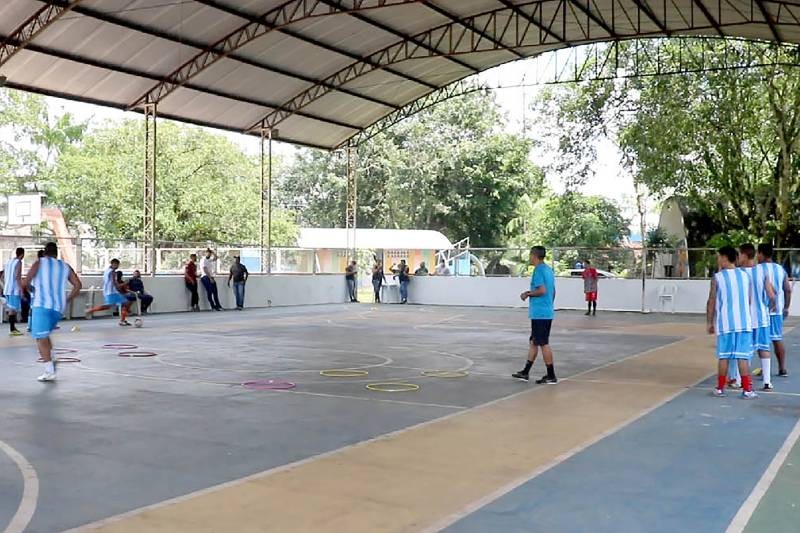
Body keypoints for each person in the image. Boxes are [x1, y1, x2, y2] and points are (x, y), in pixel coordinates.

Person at [23, 242, 81, 382]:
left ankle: (49, 371)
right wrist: (67, 299)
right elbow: (78, 285)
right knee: (44, 334)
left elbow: (25, 282)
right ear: (57, 253)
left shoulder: (39, 263)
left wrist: (31, 289)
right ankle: (51, 357)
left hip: (41, 305)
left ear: (44, 252)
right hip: (58, 308)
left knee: (40, 338)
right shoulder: (65, 266)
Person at [707, 246, 757, 399]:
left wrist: (710, 322)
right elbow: (748, 300)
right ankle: (747, 390)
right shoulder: (745, 276)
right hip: (744, 323)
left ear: (724, 257)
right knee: (743, 357)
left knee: (724, 356)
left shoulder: (718, 278)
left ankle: (721, 388)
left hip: (726, 323)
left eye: (718, 257)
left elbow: (712, 301)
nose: (717, 260)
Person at [732, 243, 776, 391]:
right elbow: (771, 294)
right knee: (764, 348)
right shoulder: (763, 271)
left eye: (739, 254)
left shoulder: (738, 273)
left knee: (743, 351)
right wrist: (771, 306)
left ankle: (739, 380)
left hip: (745, 319)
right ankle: (767, 382)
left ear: (744, 255)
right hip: (762, 317)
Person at [513, 246, 558, 384]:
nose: (529, 258)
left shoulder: (538, 270)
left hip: (540, 314)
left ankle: (551, 375)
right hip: (545, 311)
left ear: (534, 255)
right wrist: (549, 304)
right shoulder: (548, 270)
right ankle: (525, 372)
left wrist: (527, 294)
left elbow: (542, 290)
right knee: (534, 341)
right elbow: (553, 291)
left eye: (531, 255)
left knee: (543, 343)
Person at [758, 243, 792, 376]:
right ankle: (782, 368)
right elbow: (787, 289)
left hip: (762, 310)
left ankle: (764, 368)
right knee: (777, 338)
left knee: (762, 341)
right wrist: (786, 307)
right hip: (777, 311)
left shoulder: (758, 269)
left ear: (761, 253)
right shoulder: (780, 269)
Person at [86, 258, 134, 326]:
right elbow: (115, 284)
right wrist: (125, 283)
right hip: (111, 292)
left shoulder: (107, 271)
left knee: (126, 303)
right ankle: (90, 310)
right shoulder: (112, 272)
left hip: (110, 291)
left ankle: (122, 320)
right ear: (114, 264)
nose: (117, 266)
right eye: (117, 265)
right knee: (108, 306)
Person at [1, 247, 25, 336]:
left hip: (7, 288)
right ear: (22, 254)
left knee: (12, 308)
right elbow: (18, 277)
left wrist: (5, 285)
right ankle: (12, 329)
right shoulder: (18, 262)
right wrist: (21, 290)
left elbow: (2, 276)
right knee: (13, 309)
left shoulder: (8, 262)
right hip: (14, 289)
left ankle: (13, 328)